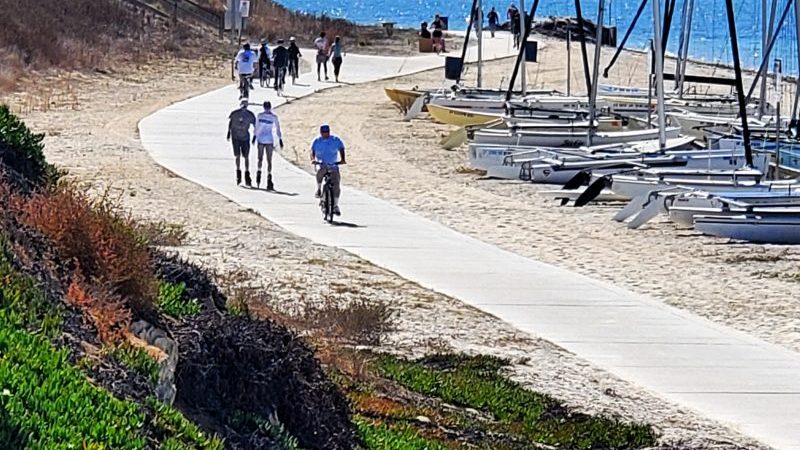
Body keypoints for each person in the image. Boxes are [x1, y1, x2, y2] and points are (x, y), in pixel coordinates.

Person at [310, 124, 346, 215]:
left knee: (336, 184)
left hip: (333, 164)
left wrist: (342, 159)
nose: (325, 134)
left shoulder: (335, 140)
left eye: (327, 132)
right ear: (321, 133)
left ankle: (335, 205)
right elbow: (312, 151)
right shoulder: (317, 141)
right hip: (321, 163)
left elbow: (341, 148)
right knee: (320, 172)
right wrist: (313, 159)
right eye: (323, 132)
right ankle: (318, 189)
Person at [253, 101, 283, 190]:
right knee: (261, 159)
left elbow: (277, 128)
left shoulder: (273, 117)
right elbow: (256, 126)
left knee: (268, 160)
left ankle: (268, 177)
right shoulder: (261, 116)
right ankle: (260, 173)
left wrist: (280, 138)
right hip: (263, 139)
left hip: (268, 139)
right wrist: (254, 136)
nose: (267, 109)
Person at [227, 99, 256, 186]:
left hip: (245, 138)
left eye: (245, 105)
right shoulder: (234, 113)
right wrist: (228, 133)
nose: (244, 107)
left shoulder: (250, 115)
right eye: (242, 105)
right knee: (237, 156)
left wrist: (255, 136)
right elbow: (230, 122)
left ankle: (247, 174)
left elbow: (256, 126)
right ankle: (238, 173)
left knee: (246, 157)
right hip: (235, 137)